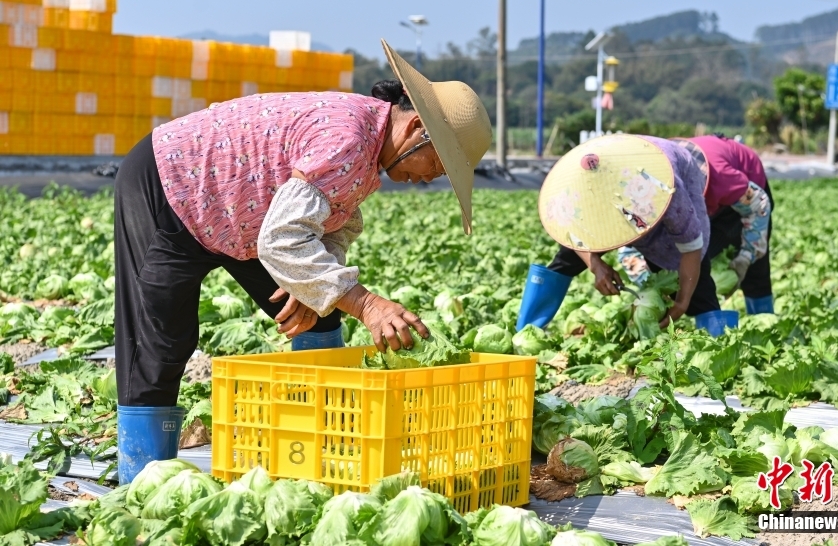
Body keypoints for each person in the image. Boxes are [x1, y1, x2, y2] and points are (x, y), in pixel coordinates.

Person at [113, 40, 492, 484]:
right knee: (162, 341)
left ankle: (315, 449)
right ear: (414, 130)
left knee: (320, 318)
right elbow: (283, 239)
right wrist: (368, 304)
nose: (428, 178)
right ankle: (140, 481)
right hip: (171, 187)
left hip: (247, 215)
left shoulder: (370, 149)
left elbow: (330, 224)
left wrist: (314, 291)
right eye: (437, 165)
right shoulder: (349, 138)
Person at [518, 133, 734, 336]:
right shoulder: (578, 187)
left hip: (668, 173)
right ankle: (527, 327)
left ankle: (717, 340)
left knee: (687, 276)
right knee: (568, 257)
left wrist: (682, 302)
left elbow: (691, 246)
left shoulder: (663, 189)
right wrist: (595, 264)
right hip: (613, 175)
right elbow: (574, 232)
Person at [675, 134, 774, 315]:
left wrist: (746, 255)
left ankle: (765, 322)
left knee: (754, 271)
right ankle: (708, 323)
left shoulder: (721, 179)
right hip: (713, 192)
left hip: (748, 193)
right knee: (697, 259)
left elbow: (759, 206)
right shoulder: (657, 186)